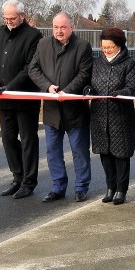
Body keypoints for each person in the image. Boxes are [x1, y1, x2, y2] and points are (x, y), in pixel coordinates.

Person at [29, 12, 93, 202]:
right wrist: (47, 87)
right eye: (56, 27)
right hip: (51, 111)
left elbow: (84, 73)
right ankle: (58, 187)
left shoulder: (83, 47)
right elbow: (33, 69)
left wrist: (67, 91)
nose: (59, 31)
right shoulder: (43, 45)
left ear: (71, 28)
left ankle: (81, 186)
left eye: (63, 27)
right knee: (52, 151)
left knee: (79, 151)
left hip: (75, 110)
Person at [0, 0, 43, 199]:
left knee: (28, 140)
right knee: (8, 139)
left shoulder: (34, 36)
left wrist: (10, 86)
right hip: (4, 98)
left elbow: (29, 67)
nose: (9, 22)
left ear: (22, 16)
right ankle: (17, 177)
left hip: (26, 98)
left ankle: (29, 181)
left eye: (12, 18)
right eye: (6, 18)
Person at [87, 27, 135, 205]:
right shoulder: (96, 63)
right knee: (105, 153)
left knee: (121, 155)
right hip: (99, 115)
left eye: (110, 47)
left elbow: (132, 87)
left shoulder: (129, 64)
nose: (106, 50)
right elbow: (89, 84)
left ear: (119, 45)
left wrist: (120, 93)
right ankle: (110, 187)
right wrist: (88, 90)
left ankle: (121, 190)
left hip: (120, 117)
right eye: (103, 47)